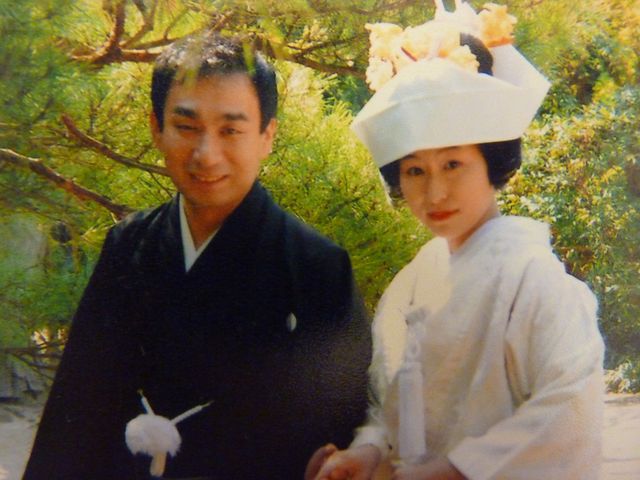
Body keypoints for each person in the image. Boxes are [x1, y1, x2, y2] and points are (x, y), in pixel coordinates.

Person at [24, 32, 371, 480]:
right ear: (156, 128)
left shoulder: (316, 267)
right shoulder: (129, 246)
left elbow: (338, 428)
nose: (206, 155)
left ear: (267, 136)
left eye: (231, 130)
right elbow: (76, 409)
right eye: (187, 127)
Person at [308, 2, 604, 479]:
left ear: (492, 161)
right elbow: (389, 409)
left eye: (453, 164)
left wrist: (457, 469)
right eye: (415, 171)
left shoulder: (533, 277)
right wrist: (367, 451)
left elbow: (569, 409)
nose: (435, 193)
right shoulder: (412, 282)